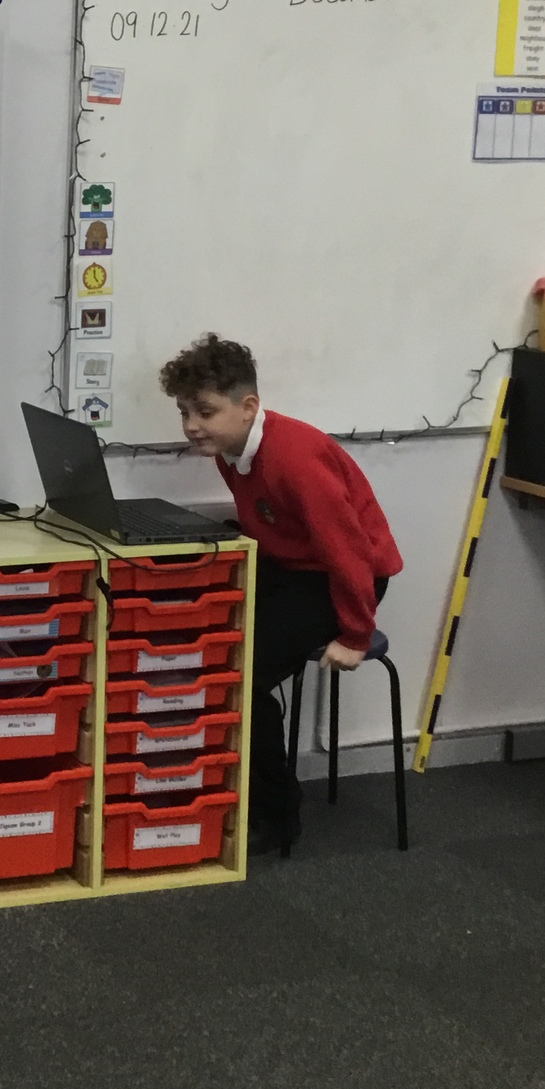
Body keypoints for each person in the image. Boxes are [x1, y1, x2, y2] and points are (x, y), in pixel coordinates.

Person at [158, 334, 402, 854]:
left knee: (240, 681)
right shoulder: (230, 451)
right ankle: (214, 784)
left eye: (205, 411)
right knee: (204, 633)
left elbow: (348, 552)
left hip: (338, 577)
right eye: (184, 412)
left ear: (248, 407)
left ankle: (275, 813)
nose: (191, 425)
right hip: (293, 566)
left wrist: (355, 635)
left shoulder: (295, 457)